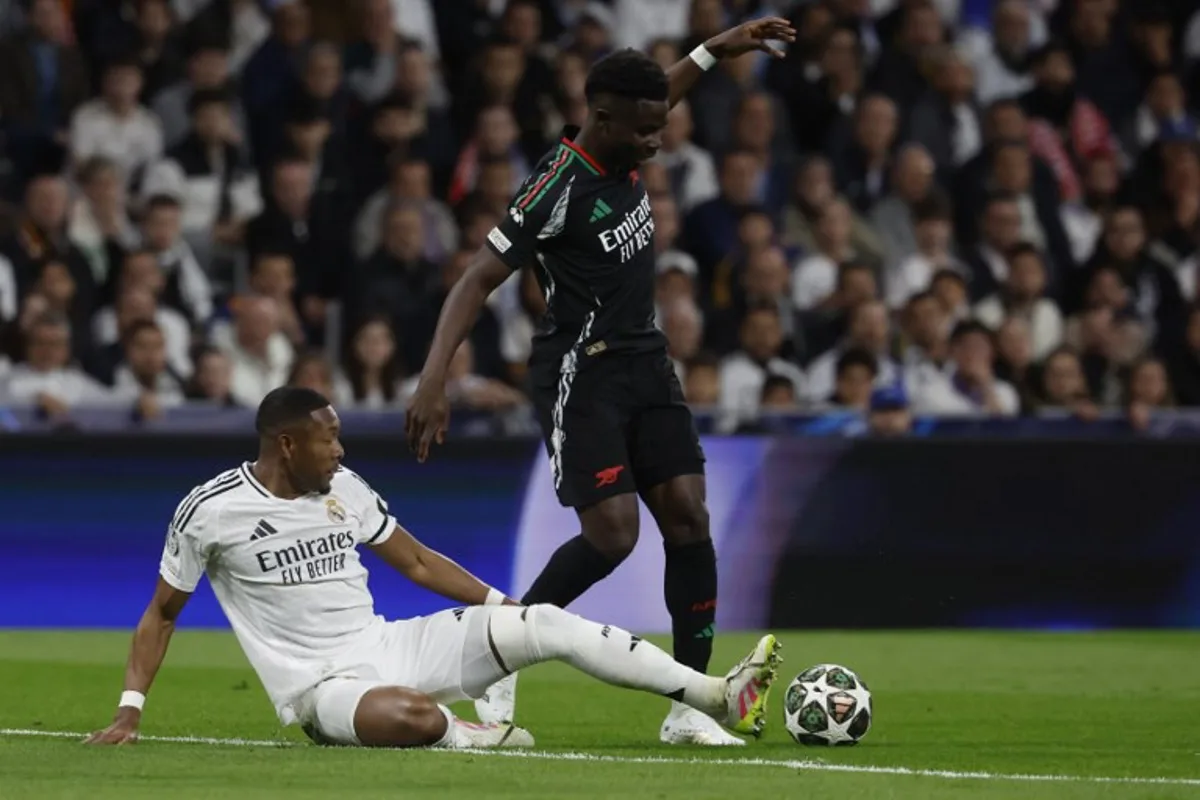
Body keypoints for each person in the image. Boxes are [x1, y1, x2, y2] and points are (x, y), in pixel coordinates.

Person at [405, 19, 795, 746]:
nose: (657, 141)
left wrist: (718, 47)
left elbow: (662, 92)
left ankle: (691, 708)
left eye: (660, 126)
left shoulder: (629, 126)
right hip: (581, 372)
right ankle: (502, 647)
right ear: (604, 119)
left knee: (689, 518)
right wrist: (434, 380)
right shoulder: (555, 185)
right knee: (613, 536)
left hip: (648, 359)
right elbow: (477, 278)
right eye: (645, 131)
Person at [85, 387, 781, 749]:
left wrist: (503, 609)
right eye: (329, 439)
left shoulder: (345, 489)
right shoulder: (210, 511)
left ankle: (716, 696)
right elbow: (162, 614)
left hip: (390, 644)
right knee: (412, 718)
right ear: (287, 444)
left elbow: (416, 561)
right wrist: (129, 711)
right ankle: (472, 736)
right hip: (322, 687)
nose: (341, 450)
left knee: (546, 623)